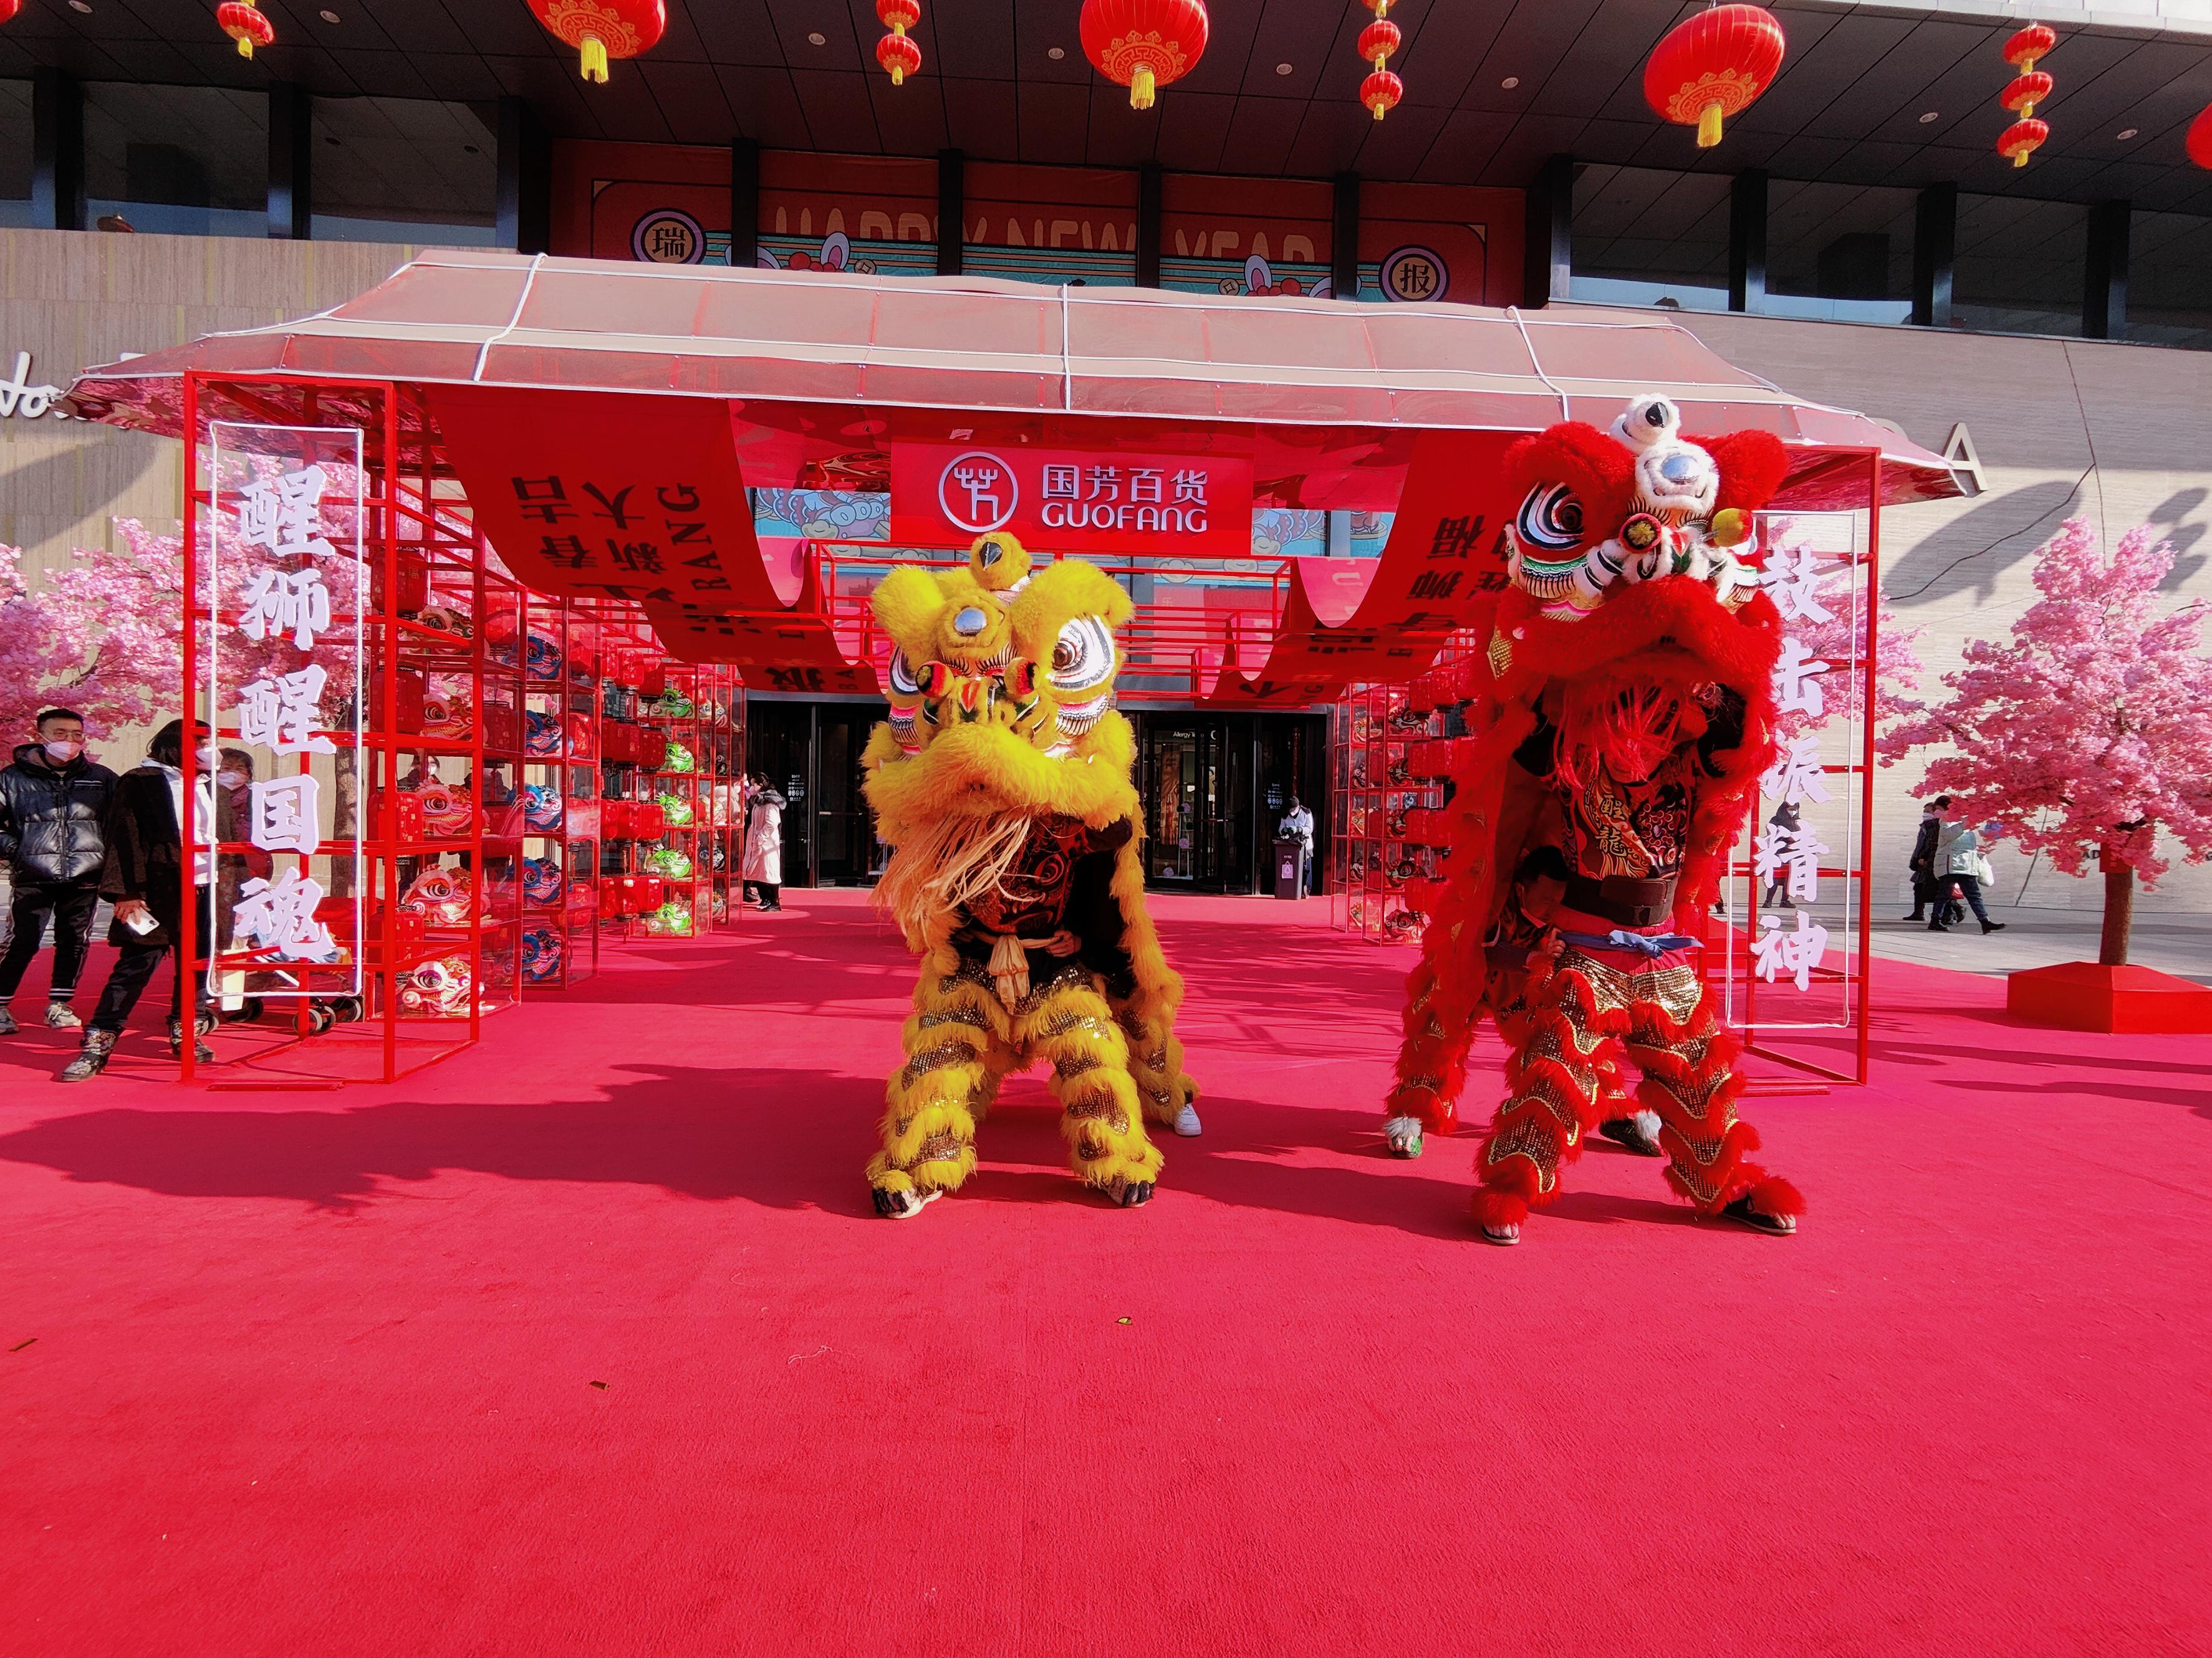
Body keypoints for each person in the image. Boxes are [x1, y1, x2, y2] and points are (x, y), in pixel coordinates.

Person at [1381, 395, 1804, 1244]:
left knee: (1698, 1078)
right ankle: (1510, 1183)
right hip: (1584, 948)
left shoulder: (1698, 740)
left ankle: (1720, 1181)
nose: (1649, 732)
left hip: (1667, 950)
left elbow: (1733, 737)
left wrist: (1716, 675)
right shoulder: (1564, 737)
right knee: (1552, 1079)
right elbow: (1526, 699)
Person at [60, 719, 218, 1081]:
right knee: (136, 965)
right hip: (155, 889)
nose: (208, 750)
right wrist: (127, 892)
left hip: (206, 887)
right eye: (200, 743)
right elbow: (123, 836)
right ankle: (99, 1043)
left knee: (198, 965)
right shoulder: (141, 781)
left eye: (210, 743)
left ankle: (186, 1030)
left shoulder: (210, 784)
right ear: (175, 746)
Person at [0, 708, 118, 1034]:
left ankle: (60, 1004)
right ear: (40, 736)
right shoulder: (12, 778)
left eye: (77, 734)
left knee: (75, 941)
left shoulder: (101, 778)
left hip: (85, 874)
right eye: (60, 733)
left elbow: (120, 824)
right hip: (33, 874)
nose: (70, 741)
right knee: (22, 940)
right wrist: (16, 849)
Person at [1932, 816, 2008, 936]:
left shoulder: (1970, 826)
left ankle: (1985, 921)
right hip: (1950, 865)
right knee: (1944, 895)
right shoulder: (1947, 820)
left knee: (1974, 896)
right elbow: (1948, 835)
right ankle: (1935, 920)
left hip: (1967, 867)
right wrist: (1963, 825)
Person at [742, 774, 785, 913]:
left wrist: (760, 838)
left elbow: (771, 823)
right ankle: (766, 899)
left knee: (769, 871)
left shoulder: (770, 802)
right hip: (758, 841)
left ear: (760, 785)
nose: (751, 787)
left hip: (767, 843)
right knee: (759, 871)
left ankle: (775, 902)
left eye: (753, 784)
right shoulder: (759, 801)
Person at [1905, 794, 1950, 922]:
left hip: (1931, 861)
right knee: (1919, 887)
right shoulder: (1925, 826)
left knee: (1937, 889)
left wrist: (1924, 859)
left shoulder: (1935, 827)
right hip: (1923, 861)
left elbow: (1931, 844)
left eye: (1928, 812)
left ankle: (1950, 913)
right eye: (1924, 812)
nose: (1926, 814)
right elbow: (1921, 845)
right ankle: (1919, 913)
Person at [1761, 798, 1801, 911]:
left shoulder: (1797, 822)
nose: (1792, 812)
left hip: (1791, 854)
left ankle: (1785, 900)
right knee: (1775, 877)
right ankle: (1768, 900)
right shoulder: (1776, 820)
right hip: (1778, 852)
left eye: (1794, 809)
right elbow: (1772, 835)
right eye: (1790, 809)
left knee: (1789, 878)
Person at [1277, 793, 1316, 893]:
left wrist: (1299, 829)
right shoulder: (1285, 815)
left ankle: (1307, 889)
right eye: (1290, 810)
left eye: (1293, 810)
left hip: (1305, 843)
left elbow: (1310, 828)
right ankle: (1292, 888)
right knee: (1292, 866)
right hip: (1291, 844)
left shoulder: (1306, 813)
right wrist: (1285, 830)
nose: (1291, 812)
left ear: (1298, 807)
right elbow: (1281, 828)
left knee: (1306, 867)